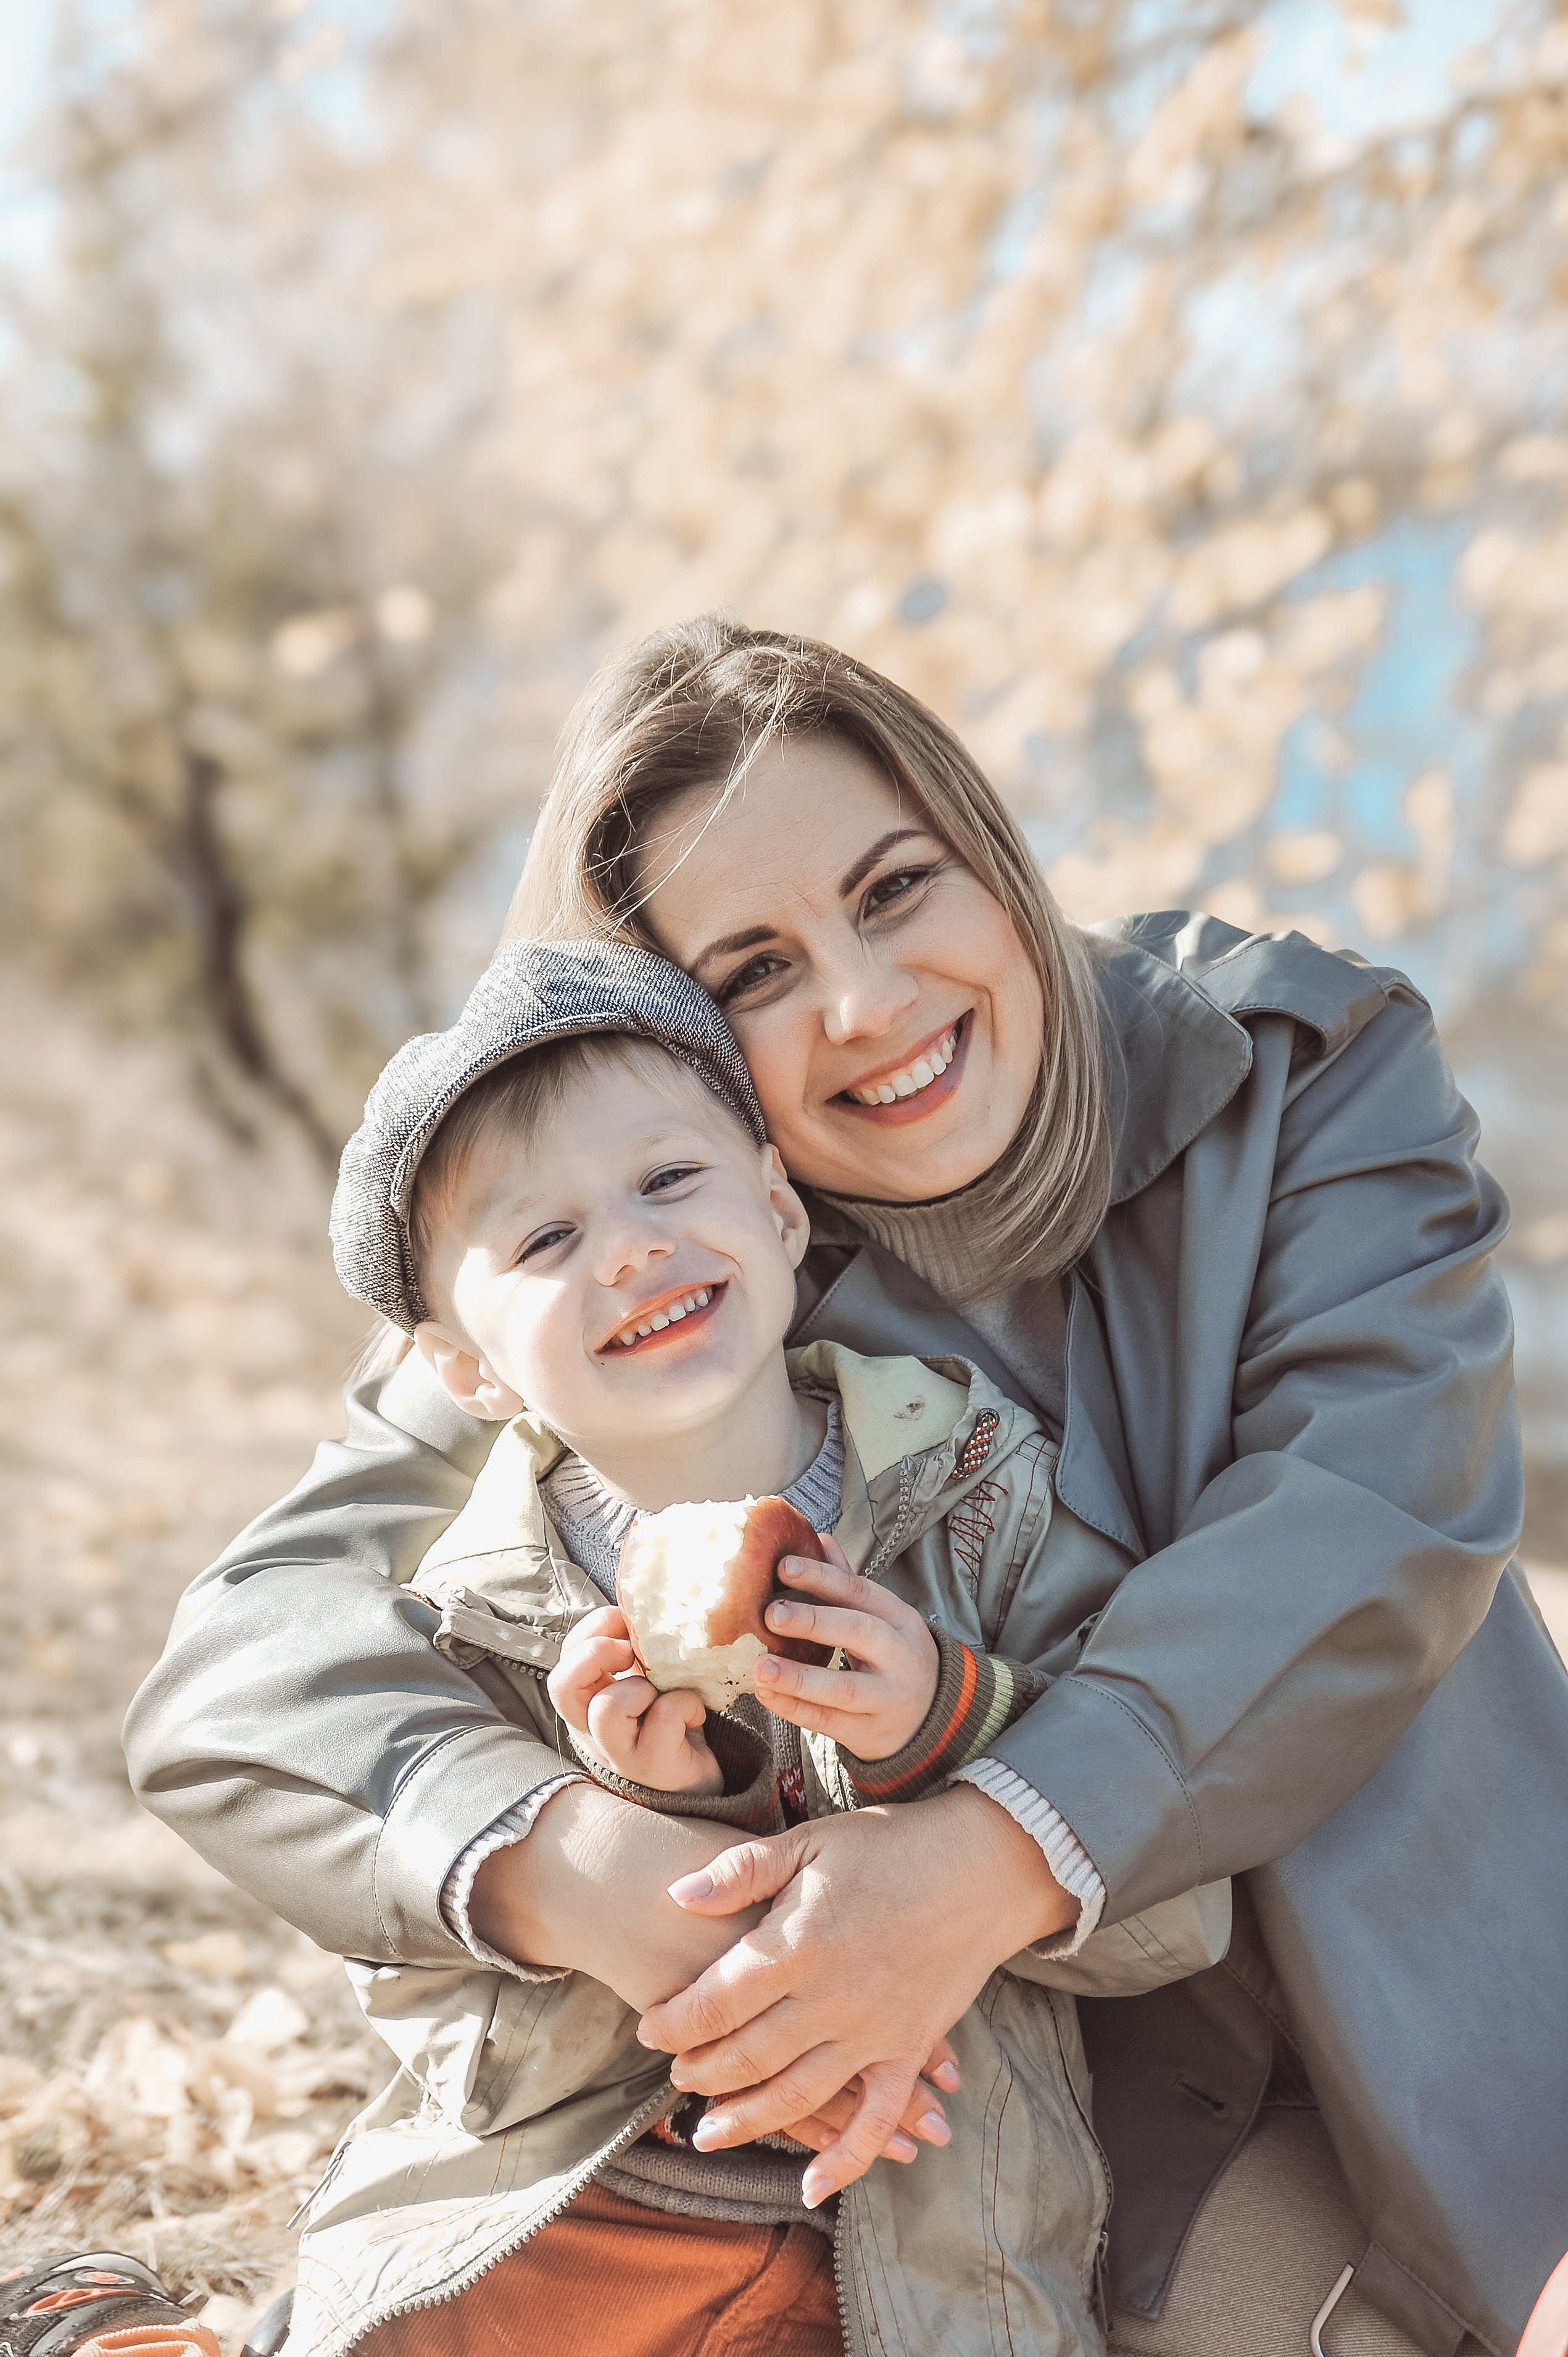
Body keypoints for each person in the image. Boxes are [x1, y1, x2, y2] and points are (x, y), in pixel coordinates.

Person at [124, 620, 1567, 2357]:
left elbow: (1370, 1515)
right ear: (676, 1038)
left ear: (987, 847)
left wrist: (987, 1849)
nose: (864, 1006)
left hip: (1412, 2026)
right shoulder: (675, 1256)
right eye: (751, 969)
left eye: (894, 888)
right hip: (1023, 2123)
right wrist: (584, 1861)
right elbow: (251, 1654)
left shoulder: (1295, 1070)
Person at [286, 934, 1230, 2355]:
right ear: (465, 1369)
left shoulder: (982, 1491)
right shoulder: (478, 1608)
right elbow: (425, 1998)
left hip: (925, 2245)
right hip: (587, 2217)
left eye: (668, 1179)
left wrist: (953, 1721)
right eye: (544, 1239)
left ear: (781, 1211)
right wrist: (638, 1830)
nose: (629, 1242)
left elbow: (1174, 1907)